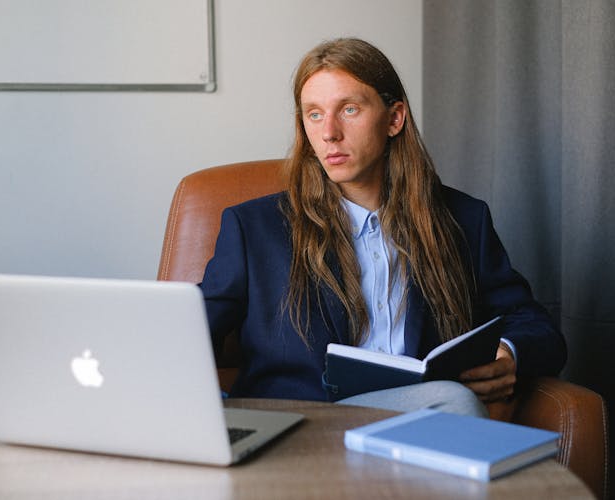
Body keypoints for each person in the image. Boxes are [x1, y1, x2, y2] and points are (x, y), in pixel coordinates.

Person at [199, 38, 566, 417]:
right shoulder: (254, 228)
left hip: (413, 424)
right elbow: (188, 334)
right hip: (300, 430)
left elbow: (533, 323)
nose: (329, 133)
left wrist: (510, 353)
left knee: (453, 402)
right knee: (455, 401)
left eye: (350, 109)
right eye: (314, 114)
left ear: (394, 119)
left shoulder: (463, 219)